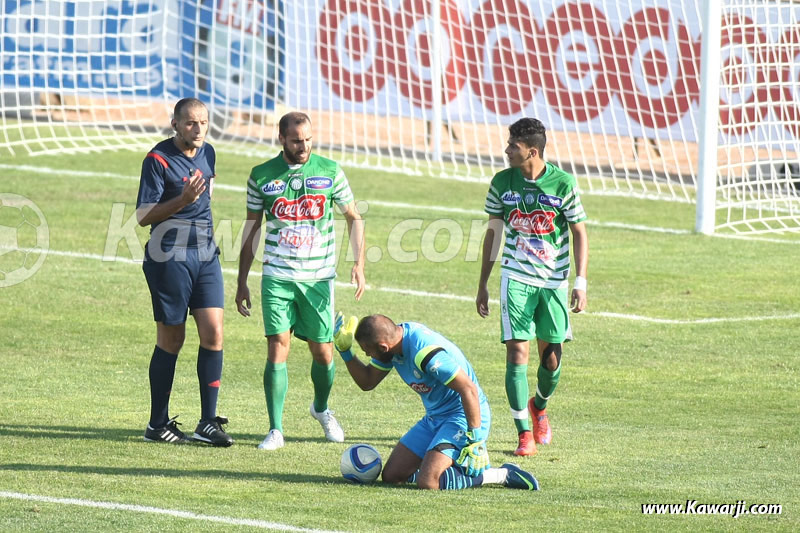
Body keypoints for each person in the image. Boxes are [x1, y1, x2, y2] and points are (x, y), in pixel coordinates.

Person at [236, 111, 366, 451]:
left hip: (318, 279)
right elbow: (252, 229)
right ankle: (275, 429)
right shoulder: (261, 176)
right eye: (296, 141)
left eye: (308, 139)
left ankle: (321, 409)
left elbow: (354, 217)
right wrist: (241, 280)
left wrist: (359, 263)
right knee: (278, 345)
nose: (304, 146)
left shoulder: (330, 170)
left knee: (322, 352)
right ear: (281, 138)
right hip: (277, 277)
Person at [476, 117, 588, 456]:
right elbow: (494, 233)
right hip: (516, 279)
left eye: (514, 146)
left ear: (532, 152)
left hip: (553, 282)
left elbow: (579, 232)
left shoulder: (563, 184)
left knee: (551, 361)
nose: (507, 150)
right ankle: (524, 433)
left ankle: (539, 406)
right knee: (516, 353)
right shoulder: (502, 183)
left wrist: (580, 282)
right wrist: (483, 283)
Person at [334, 313, 539, 491]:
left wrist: (476, 441)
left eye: (367, 350)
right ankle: (436, 467)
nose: (368, 355)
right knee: (392, 475)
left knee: (429, 482)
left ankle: (501, 474)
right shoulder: (394, 345)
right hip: (435, 418)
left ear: (383, 347)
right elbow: (367, 381)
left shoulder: (424, 352)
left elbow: (468, 389)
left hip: (463, 416)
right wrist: (345, 352)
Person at [136, 97, 233, 447]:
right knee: (172, 340)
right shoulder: (157, 159)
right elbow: (143, 216)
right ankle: (157, 424)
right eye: (191, 123)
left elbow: (207, 197)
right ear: (175, 124)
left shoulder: (208, 153)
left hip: (206, 254)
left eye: (203, 122)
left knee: (214, 333)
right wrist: (183, 200)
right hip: (169, 257)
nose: (198, 129)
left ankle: (207, 422)